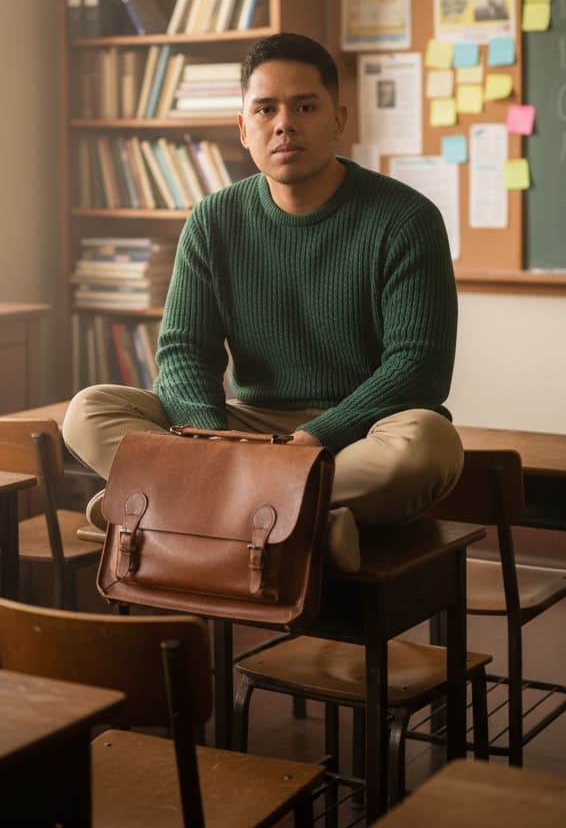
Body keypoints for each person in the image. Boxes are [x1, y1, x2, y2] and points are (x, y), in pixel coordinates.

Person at [63, 32, 463, 571]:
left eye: (305, 107)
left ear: (338, 119)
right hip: (246, 428)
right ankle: (307, 517)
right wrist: (213, 443)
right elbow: (183, 353)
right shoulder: (213, 219)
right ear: (243, 127)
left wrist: (315, 437)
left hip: (357, 434)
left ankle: (172, 503)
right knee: (88, 410)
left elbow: (418, 368)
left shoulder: (405, 219)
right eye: (266, 109)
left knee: (428, 443)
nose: (284, 124)